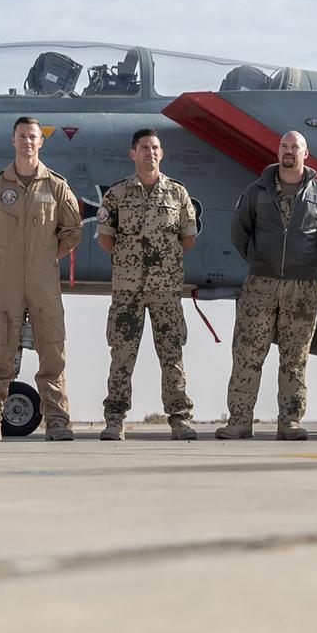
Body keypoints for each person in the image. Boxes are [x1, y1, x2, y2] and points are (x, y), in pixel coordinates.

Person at [217, 131, 317, 440]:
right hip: (259, 285)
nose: (288, 151)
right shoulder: (257, 191)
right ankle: (239, 421)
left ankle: (289, 421)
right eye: (284, 146)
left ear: (307, 154)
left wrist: (312, 264)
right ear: (279, 152)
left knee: (295, 357)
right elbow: (240, 232)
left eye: (295, 147)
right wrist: (260, 261)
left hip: (303, 288)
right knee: (247, 354)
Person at [0, 116, 82, 441]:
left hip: (43, 282)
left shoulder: (56, 186)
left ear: (41, 141)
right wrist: (7, 259)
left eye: (33, 136)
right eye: (22, 136)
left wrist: (45, 258)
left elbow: (72, 230)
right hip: (6, 281)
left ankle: (58, 424)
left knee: (52, 354)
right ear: (13, 140)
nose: (27, 142)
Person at [96, 129, 199, 441]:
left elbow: (188, 238)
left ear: (161, 153)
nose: (150, 152)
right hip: (127, 290)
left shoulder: (178, 194)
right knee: (122, 356)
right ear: (133, 154)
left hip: (165, 291)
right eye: (143, 147)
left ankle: (180, 419)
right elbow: (105, 238)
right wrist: (131, 263)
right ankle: (114, 420)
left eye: (155, 147)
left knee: (172, 356)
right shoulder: (116, 195)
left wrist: (161, 265)